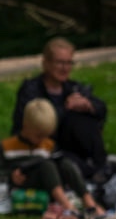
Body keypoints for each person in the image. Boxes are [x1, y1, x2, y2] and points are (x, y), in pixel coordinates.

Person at [11, 37, 108, 176]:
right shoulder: (31, 90)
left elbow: (102, 108)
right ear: (46, 63)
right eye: (60, 63)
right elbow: (37, 124)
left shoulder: (72, 87)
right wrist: (67, 107)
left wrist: (88, 105)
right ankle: (93, 169)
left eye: (69, 63)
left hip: (68, 145)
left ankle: (100, 165)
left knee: (84, 116)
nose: (65, 68)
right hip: (40, 146)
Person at [2, 98, 103, 219]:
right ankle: (67, 206)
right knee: (47, 165)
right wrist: (11, 176)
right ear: (26, 126)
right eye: (39, 136)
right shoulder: (8, 146)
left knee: (65, 163)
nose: (41, 140)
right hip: (26, 184)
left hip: (49, 185)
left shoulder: (48, 145)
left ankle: (89, 202)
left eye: (46, 136)